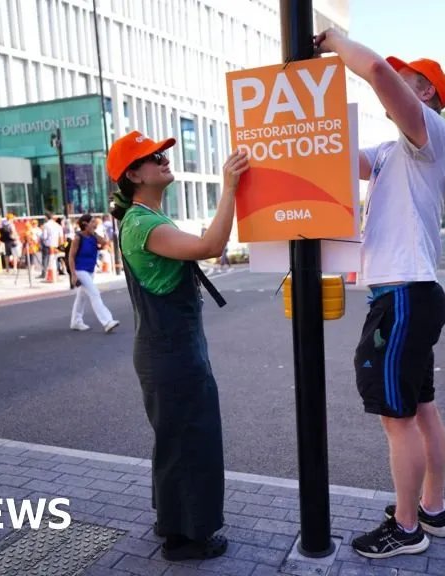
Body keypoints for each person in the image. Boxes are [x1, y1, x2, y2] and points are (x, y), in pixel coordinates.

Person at [313, 30, 445, 558]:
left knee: (399, 420)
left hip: (403, 296)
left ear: (426, 92)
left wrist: (334, 40)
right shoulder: (395, 151)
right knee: (421, 410)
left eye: (407, 77)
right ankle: (431, 510)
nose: (395, 79)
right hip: (412, 294)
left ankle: (406, 528)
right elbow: (339, 158)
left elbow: (375, 71)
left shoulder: (429, 134)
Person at [107, 130, 248, 561]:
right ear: (133, 174)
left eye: (162, 153)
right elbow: (211, 246)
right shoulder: (143, 223)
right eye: (154, 157)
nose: (164, 160)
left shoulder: (146, 218)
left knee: (177, 439)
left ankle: (173, 522)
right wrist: (230, 187)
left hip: (169, 348)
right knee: (192, 440)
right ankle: (186, 539)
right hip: (171, 351)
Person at [68, 214, 119, 333]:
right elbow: (71, 257)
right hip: (80, 270)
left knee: (81, 297)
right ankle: (107, 321)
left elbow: (105, 243)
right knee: (95, 293)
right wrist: (73, 275)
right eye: (92, 222)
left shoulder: (93, 236)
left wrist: (94, 233)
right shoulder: (78, 238)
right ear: (85, 224)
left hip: (90, 270)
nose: (94, 224)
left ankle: (76, 321)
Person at [39, 212, 63, 278]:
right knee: (55, 259)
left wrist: (40, 237)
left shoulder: (46, 225)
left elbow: (44, 236)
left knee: (45, 259)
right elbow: (61, 236)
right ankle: (56, 273)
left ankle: (44, 273)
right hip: (55, 244)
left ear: (46, 217)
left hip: (48, 244)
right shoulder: (58, 225)